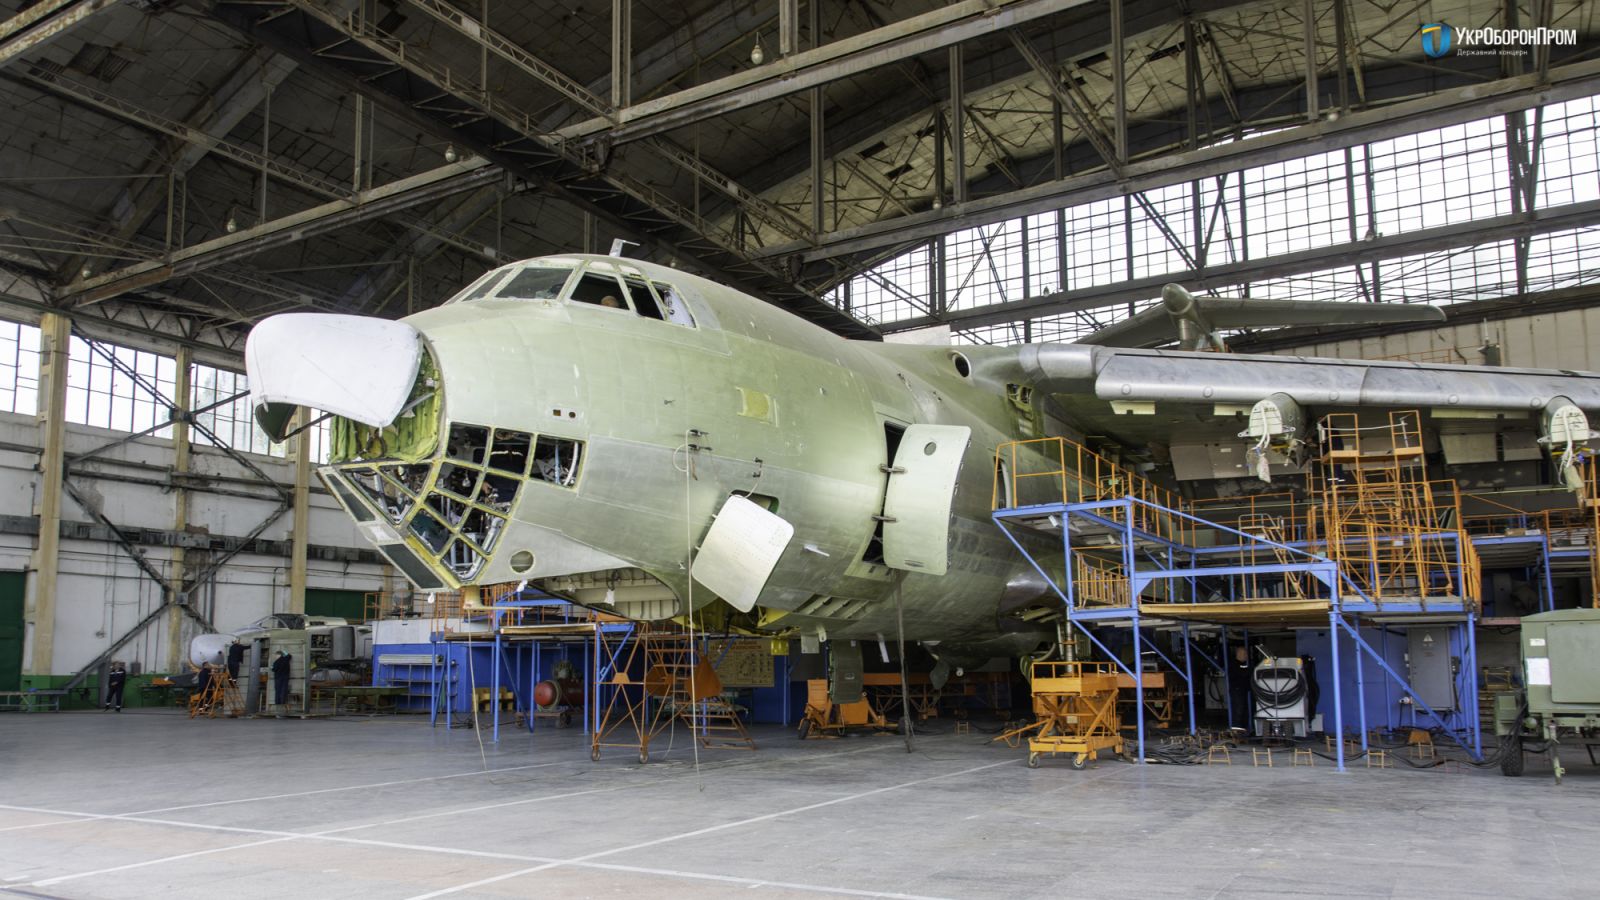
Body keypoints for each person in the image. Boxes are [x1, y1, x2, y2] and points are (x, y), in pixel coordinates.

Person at [1228, 645, 1254, 731]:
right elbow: (1243, 673)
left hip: (1243, 690)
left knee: (1244, 711)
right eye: (1244, 654)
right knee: (1238, 710)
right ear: (1239, 654)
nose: (1246, 656)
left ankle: (1244, 730)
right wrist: (1251, 669)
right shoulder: (1234, 664)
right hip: (1237, 690)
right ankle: (1237, 731)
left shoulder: (1243, 664)